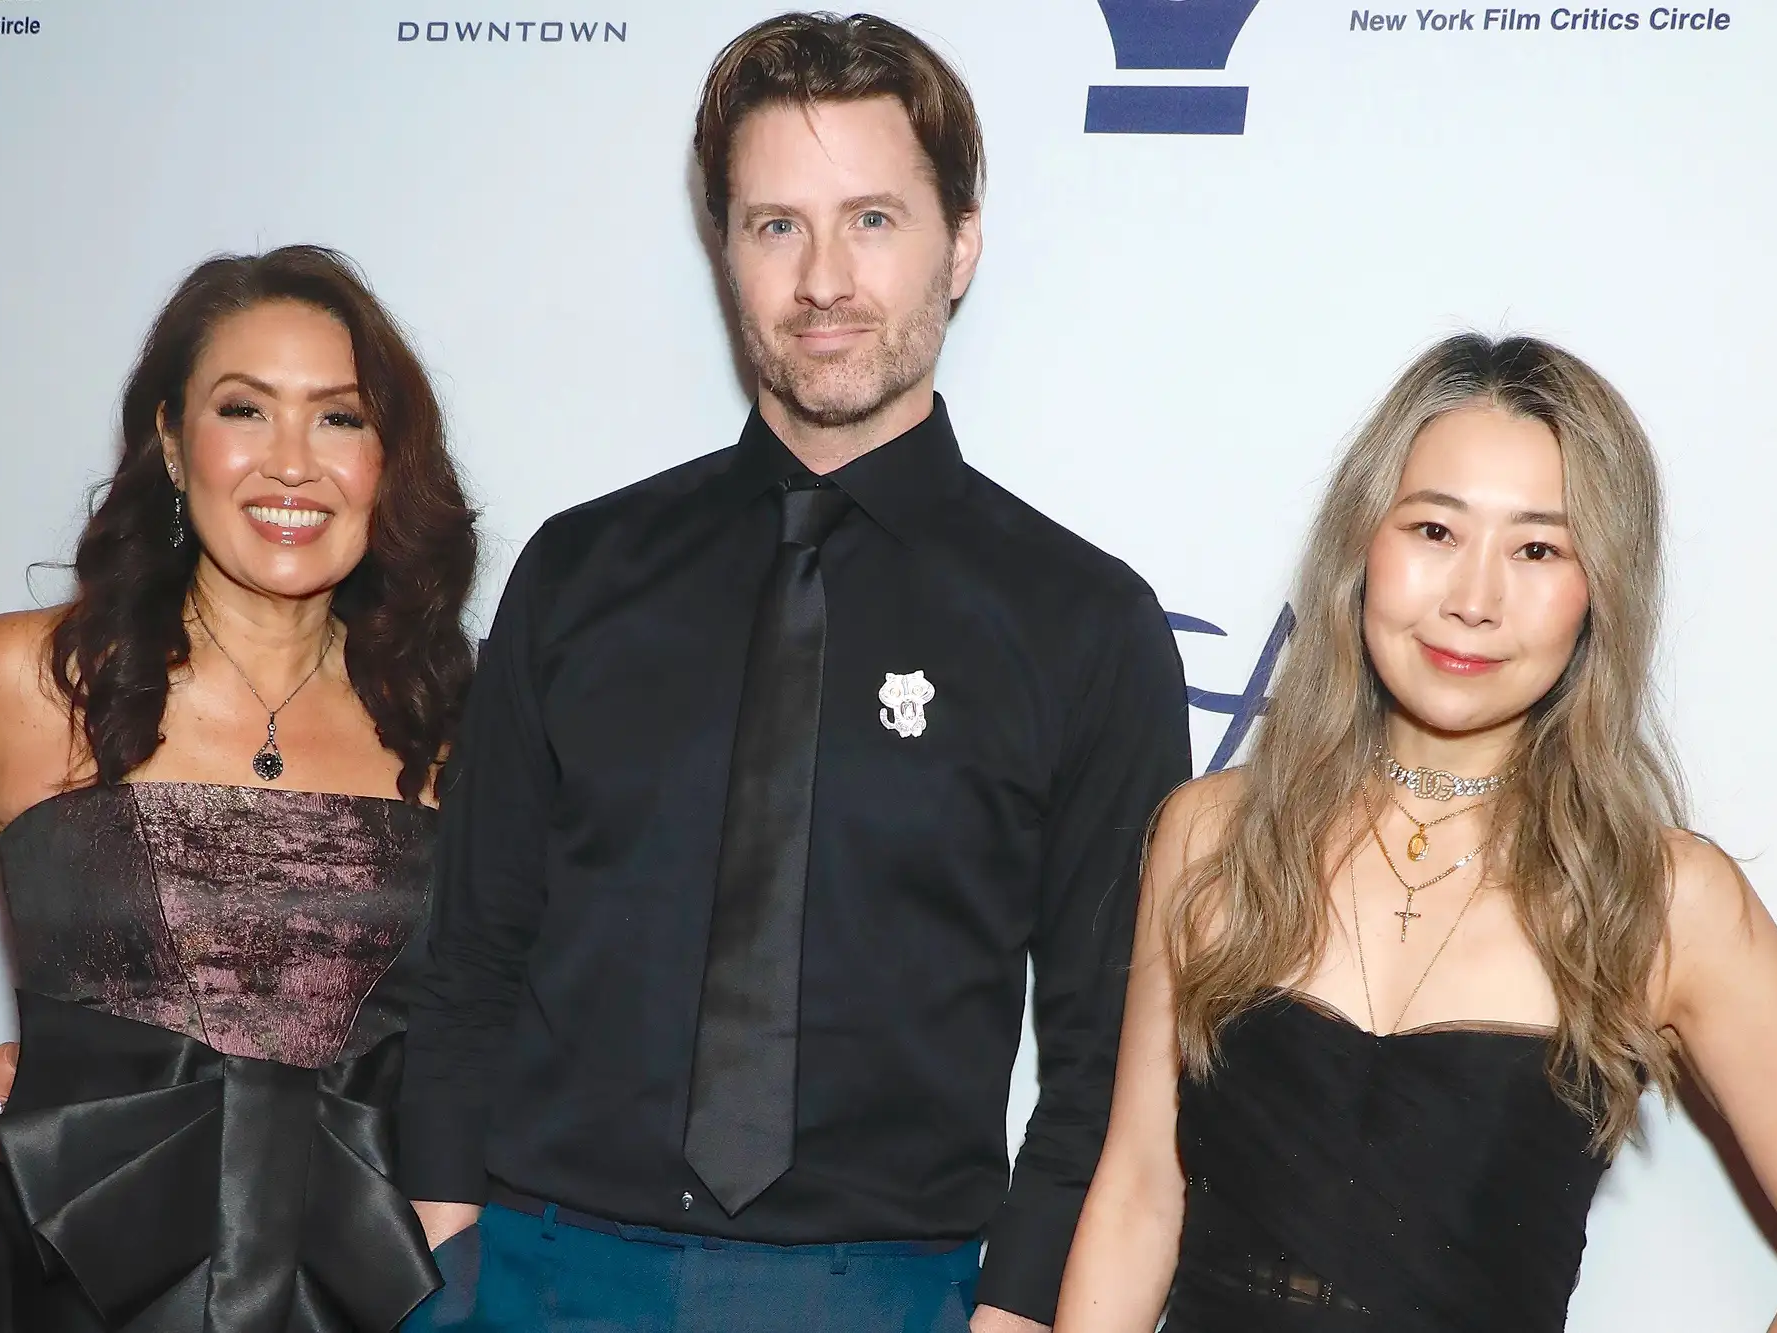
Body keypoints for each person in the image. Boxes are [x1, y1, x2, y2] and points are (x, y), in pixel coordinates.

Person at [397, 12, 1191, 1333]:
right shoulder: (582, 572)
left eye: (873, 219)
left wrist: (1021, 1312)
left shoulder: (1083, 623)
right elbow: (470, 952)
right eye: (777, 226)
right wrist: (448, 1254)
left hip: (888, 1287)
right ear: (727, 252)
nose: (823, 277)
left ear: (962, 244)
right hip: (539, 1267)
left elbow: (1108, 1056)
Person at [1055, 333, 1777, 1332]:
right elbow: (1135, 1196)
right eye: (1432, 531)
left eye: (1536, 549)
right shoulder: (1212, 835)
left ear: (1598, 594)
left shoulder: (1658, 898)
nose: (1471, 598)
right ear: (1360, 546)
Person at [0, 244, 479, 1332]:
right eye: (244, 410)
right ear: (172, 444)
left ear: (386, 461)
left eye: (338, 418)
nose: (289, 464)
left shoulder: (461, 724)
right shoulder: (28, 685)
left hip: (369, 1296)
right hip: (65, 1294)